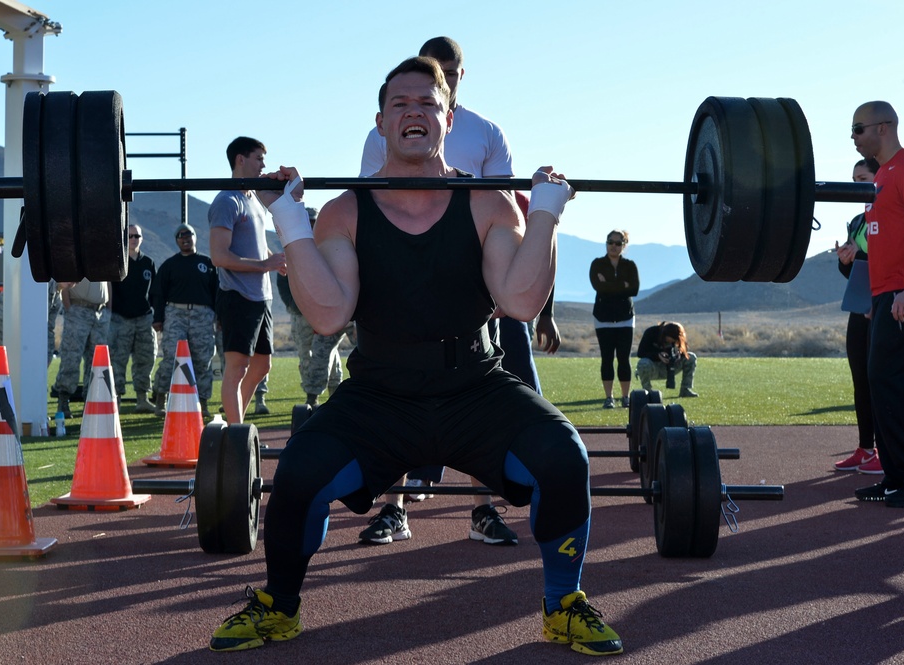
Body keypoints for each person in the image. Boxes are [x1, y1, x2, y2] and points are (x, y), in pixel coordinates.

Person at [208, 56, 622, 656]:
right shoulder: (344, 212)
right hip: (381, 393)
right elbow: (328, 314)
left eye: (427, 103)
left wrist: (547, 215)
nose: (414, 113)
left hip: (477, 388)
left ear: (448, 118)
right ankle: (279, 606)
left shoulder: (488, 204)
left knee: (565, 458)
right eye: (400, 104)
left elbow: (521, 301)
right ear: (381, 122)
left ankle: (564, 606)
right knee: (300, 470)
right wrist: (289, 219)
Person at [358, 36, 553, 546]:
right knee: (396, 378)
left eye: (447, 73)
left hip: (469, 274)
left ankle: (482, 509)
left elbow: (506, 207)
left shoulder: (487, 132)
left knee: (477, 383)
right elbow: (368, 201)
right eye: (428, 74)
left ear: (460, 79)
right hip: (400, 275)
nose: (436, 82)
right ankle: (393, 509)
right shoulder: (386, 127)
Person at [850, 101, 904, 507]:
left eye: (858, 128)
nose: (853, 137)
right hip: (882, 297)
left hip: (902, 295)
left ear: (884, 127)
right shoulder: (882, 176)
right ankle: (894, 478)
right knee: (881, 383)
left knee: (889, 382)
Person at [208, 136, 287, 423]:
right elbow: (219, 256)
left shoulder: (253, 199)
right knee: (237, 368)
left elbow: (252, 244)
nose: (263, 165)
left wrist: (273, 259)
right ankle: (236, 433)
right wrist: (265, 263)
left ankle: (236, 427)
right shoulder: (226, 201)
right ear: (241, 160)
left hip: (261, 297)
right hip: (237, 296)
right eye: (258, 159)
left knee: (262, 366)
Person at [833, 159, 882, 473]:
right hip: (859, 306)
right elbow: (852, 272)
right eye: (853, 180)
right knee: (860, 379)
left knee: (883, 379)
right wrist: (846, 260)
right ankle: (866, 448)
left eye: (862, 178)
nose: (856, 186)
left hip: (886, 305)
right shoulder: (856, 220)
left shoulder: (894, 212)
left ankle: (888, 451)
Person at [276, 206, 352, 406]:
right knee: (309, 356)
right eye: (307, 221)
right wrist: (299, 306)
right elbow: (284, 282)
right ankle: (313, 399)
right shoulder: (293, 248)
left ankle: (336, 394)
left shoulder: (332, 244)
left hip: (332, 312)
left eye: (313, 221)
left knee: (330, 354)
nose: (311, 225)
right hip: (302, 315)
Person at [152, 223, 218, 418]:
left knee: (202, 360)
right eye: (180, 236)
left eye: (188, 234)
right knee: (171, 359)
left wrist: (219, 317)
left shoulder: (207, 263)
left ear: (195, 237)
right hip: (175, 315)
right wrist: (158, 319)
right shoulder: (170, 265)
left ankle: (202, 403)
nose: (184, 238)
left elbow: (218, 293)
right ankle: (161, 400)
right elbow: (157, 294)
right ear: (176, 241)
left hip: (202, 316)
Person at [109, 223, 158, 414]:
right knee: (117, 360)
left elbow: (155, 292)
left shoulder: (148, 263)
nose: (133, 240)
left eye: (137, 236)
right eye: (130, 236)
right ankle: (117, 399)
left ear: (142, 239)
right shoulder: (118, 261)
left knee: (145, 359)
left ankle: (142, 398)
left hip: (144, 319)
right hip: (120, 319)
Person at [590, 229, 639, 409]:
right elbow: (598, 287)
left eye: (618, 243)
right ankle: (609, 397)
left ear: (624, 245)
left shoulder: (630, 265)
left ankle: (625, 397)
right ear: (606, 243)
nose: (613, 246)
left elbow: (634, 289)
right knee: (607, 358)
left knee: (624, 359)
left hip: (626, 318)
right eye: (610, 242)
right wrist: (621, 285)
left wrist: (608, 284)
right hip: (602, 319)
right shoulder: (597, 264)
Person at [53, 278, 110, 418]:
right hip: (78, 309)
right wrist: (69, 308)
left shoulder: (104, 260)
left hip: (100, 312)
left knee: (97, 361)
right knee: (71, 357)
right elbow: (66, 283)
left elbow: (108, 283)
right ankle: (63, 400)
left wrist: (109, 309)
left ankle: (91, 401)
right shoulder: (78, 256)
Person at [0, 280, 62, 367]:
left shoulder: (57, 299)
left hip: (15, 322)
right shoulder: (43, 283)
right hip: (2, 317)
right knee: (7, 363)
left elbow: (48, 328)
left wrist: (48, 354)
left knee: (14, 365)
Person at [635, 321, 698, 397]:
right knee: (643, 363)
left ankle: (685, 390)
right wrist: (658, 355)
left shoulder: (678, 339)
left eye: (674, 341)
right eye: (670, 340)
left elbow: (685, 351)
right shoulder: (651, 332)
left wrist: (679, 354)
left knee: (691, 357)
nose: (671, 342)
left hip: (671, 367)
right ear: (665, 334)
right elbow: (640, 353)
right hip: (653, 367)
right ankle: (647, 392)